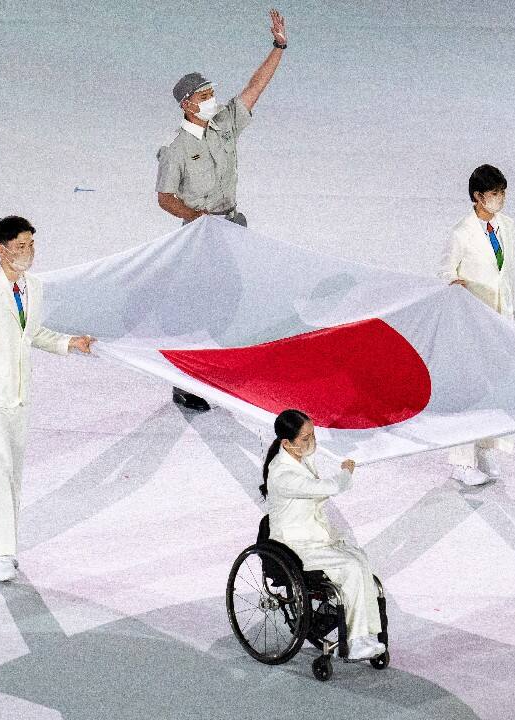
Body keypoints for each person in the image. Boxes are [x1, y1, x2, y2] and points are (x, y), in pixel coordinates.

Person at [156, 8, 288, 412]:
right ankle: (186, 382)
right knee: (199, 307)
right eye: (204, 95)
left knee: (233, 301)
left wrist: (278, 47)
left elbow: (254, 87)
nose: (212, 98)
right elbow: (165, 197)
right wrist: (196, 219)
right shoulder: (176, 148)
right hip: (200, 233)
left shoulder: (225, 124)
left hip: (233, 225)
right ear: (186, 105)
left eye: (212, 92)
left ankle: (222, 371)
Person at [0, 216, 96, 582]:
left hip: (20, 397)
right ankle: (4, 553)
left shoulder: (34, 288)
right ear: (1, 250)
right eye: (21, 246)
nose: (29, 252)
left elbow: (32, 334)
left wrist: (69, 342)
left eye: (32, 244)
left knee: (11, 475)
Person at [261, 410, 385, 661]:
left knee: (360, 559)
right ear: (287, 443)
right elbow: (326, 488)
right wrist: (346, 472)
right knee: (350, 567)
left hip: (314, 536)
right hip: (295, 546)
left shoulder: (301, 458)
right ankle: (354, 638)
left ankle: (366, 634)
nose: (312, 441)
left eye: (313, 434)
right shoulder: (282, 474)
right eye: (306, 438)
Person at [438, 164, 515, 486]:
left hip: (500, 321)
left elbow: (505, 277)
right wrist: (455, 284)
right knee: (467, 391)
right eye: (495, 194)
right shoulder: (461, 233)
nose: (501, 199)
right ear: (478, 196)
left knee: (494, 388)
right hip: (470, 323)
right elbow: (444, 271)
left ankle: (486, 447)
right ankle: (460, 460)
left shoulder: (507, 226)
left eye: (503, 193)